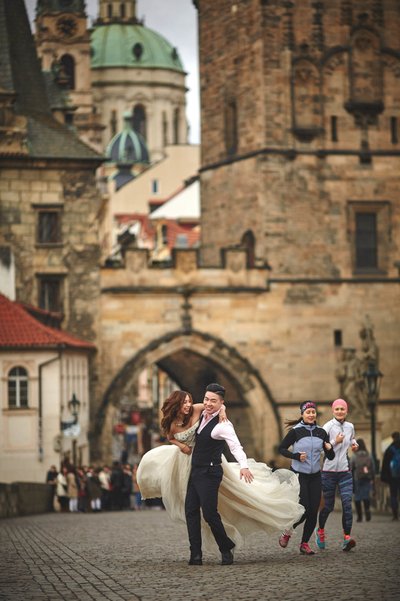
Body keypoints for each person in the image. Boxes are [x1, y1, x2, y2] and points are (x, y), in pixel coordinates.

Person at [137, 385, 303, 565]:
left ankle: (225, 546)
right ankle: (195, 555)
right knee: (191, 512)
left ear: (220, 403)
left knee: (209, 514)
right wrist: (181, 446)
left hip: (210, 471)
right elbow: (172, 435)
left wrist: (244, 466)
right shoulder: (199, 413)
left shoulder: (222, 426)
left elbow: (235, 446)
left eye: (212, 401)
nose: (206, 403)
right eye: (206, 399)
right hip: (192, 470)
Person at [278, 401, 334, 555]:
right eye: (308, 412)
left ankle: (304, 544)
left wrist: (330, 449)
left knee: (313, 511)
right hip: (299, 474)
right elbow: (281, 448)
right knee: (304, 509)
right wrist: (295, 456)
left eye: (313, 412)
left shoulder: (321, 432)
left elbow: (331, 456)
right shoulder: (296, 432)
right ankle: (288, 531)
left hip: (315, 476)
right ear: (302, 414)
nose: (311, 414)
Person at [316, 398, 359, 552]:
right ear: (333, 411)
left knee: (347, 504)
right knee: (328, 506)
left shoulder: (350, 426)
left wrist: (354, 444)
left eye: (343, 409)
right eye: (337, 409)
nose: (340, 411)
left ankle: (347, 537)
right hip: (328, 472)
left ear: (346, 411)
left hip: (345, 471)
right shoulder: (327, 427)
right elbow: (321, 449)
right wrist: (335, 441)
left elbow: (352, 438)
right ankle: (320, 530)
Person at [351, 438, 374, 522]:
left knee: (357, 497)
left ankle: (360, 516)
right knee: (366, 495)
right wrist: (372, 477)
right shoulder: (369, 455)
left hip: (357, 478)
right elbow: (373, 467)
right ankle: (367, 511)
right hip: (367, 478)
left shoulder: (354, 456)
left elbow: (350, 467)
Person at [381, 431, 400, 521]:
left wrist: (384, 477)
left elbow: (385, 465)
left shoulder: (389, 449)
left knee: (393, 495)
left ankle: (395, 515)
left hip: (393, 476)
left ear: (392, 438)